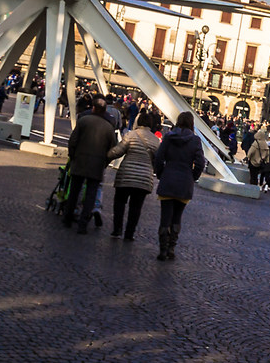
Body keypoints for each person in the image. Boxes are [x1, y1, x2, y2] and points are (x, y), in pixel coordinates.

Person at [152, 112, 206, 261]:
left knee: (165, 216)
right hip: (184, 182)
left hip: (168, 178)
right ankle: (171, 248)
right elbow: (201, 163)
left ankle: (162, 249)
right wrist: (192, 176)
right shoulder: (195, 140)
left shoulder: (169, 137)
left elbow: (159, 157)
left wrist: (161, 173)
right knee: (177, 217)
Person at [64, 97, 118, 234]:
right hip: (97, 165)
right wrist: (105, 162)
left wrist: (72, 155)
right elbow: (113, 149)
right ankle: (83, 224)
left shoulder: (83, 121)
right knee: (91, 195)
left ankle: (68, 218)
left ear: (93, 108)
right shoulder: (108, 127)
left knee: (74, 192)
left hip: (80, 161)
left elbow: (73, 141)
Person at [106, 111, 162, 242]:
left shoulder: (131, 135)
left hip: (126, 175)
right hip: (144, 179)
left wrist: (107, 155)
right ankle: (129, 233)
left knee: (119, 202)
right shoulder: (156, 141)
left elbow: (118, 151)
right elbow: (157, 161)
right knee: (136, 207)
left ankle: (117, 228)